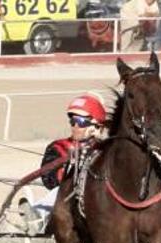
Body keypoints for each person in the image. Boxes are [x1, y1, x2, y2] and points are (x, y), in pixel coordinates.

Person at [19, 94, 108, 234]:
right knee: (60, 191)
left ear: (96, 127)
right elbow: (49, 180)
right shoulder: (59, 147)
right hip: (69, 200)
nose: (75, 126)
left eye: (81, 122)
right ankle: (37, 216)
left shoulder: (107, 150)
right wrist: (69, 167)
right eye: (72, 121)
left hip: (100, 200)